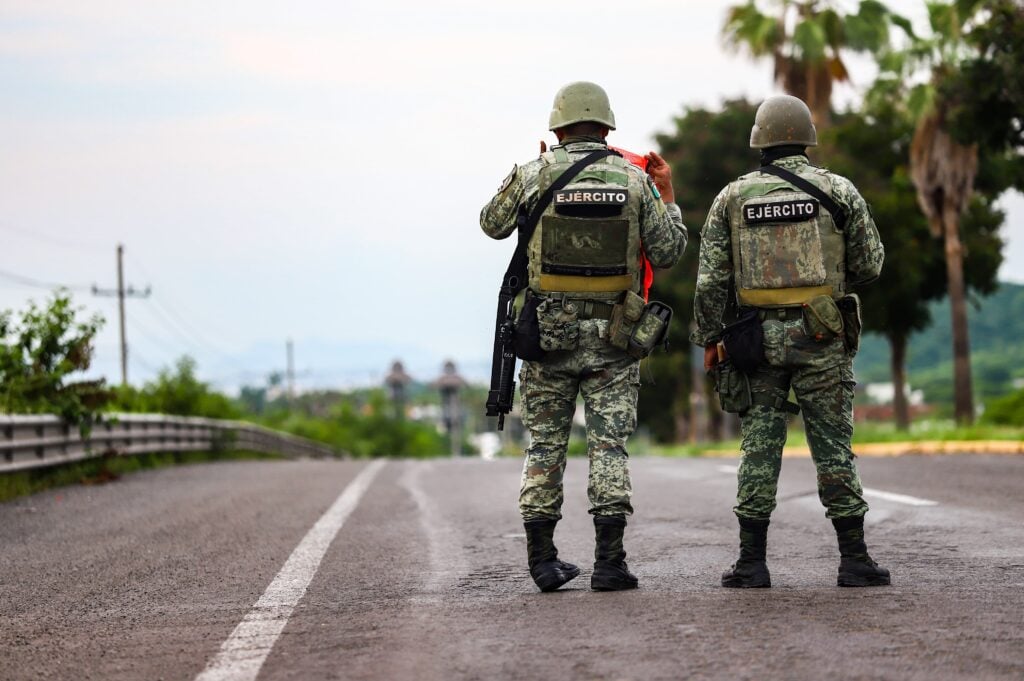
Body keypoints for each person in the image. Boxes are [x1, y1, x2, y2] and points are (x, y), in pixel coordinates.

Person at [480, 81, 687, 592]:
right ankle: (611, 565)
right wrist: (668, 196)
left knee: (544, 446)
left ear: (557, 127)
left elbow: (491, 224)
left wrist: (531, 183)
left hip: (547, 337)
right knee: (609, 447)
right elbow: (668, 252)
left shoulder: (534, 174)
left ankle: (543, 562)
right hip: (616, 337)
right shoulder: (635, 180)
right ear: (608, 127)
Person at [693, 94, 890, 588]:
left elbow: (710, 281)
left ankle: (751, 563)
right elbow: (870, 265)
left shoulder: (731, 198)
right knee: (833, 447)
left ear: (759, 140)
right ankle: (854, 560)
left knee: (759, 446)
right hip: (822, 333)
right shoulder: (838, 190)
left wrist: (711, 338)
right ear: (806, 137)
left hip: (754, 340)